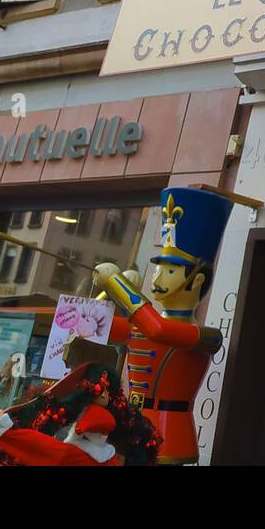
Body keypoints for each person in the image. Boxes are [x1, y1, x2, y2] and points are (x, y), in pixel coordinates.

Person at [94, 187, 235, 465]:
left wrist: (119, 285)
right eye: (158, 268)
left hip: (169, 434)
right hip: (128, 426)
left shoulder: (205, 336)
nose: (158, 276)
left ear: (195, 281)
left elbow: (157, 330)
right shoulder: (145, 323)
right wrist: (103, 291)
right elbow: (96, 327)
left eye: (170, 270)